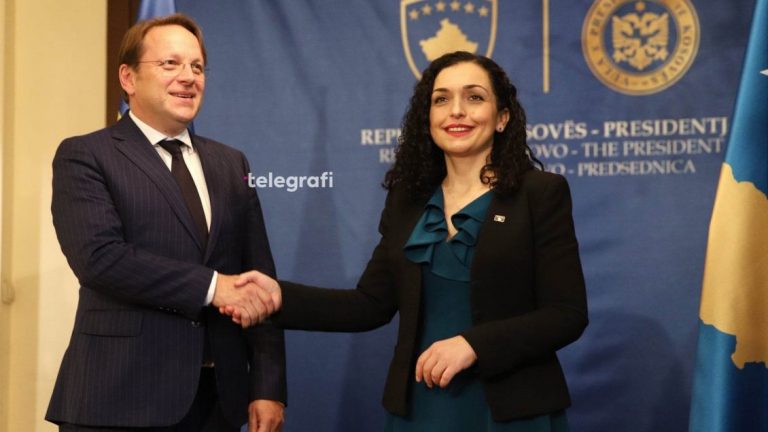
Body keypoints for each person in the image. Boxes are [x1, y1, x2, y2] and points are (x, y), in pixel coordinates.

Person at [232, 51, 588, 431]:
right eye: (441, 99)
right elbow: (368, 305)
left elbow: (566, 314)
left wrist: (474, 345)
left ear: (502, 118)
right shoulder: (408, 201)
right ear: (428, 118)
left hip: (512, 411)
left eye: (474, 97)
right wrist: (278, 297)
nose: (456, 111)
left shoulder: (540, 193)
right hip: (423, 406)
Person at [46, 13, 285, 432]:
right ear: (128, 78)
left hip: (218, 401)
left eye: (197, 67)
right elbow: (100, 259)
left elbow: (257, 278)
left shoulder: (232, 164)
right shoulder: (85, 155)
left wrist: (267, 386)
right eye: (170, 64)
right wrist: (213, 287)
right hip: (119, 397)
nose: (188, 77)